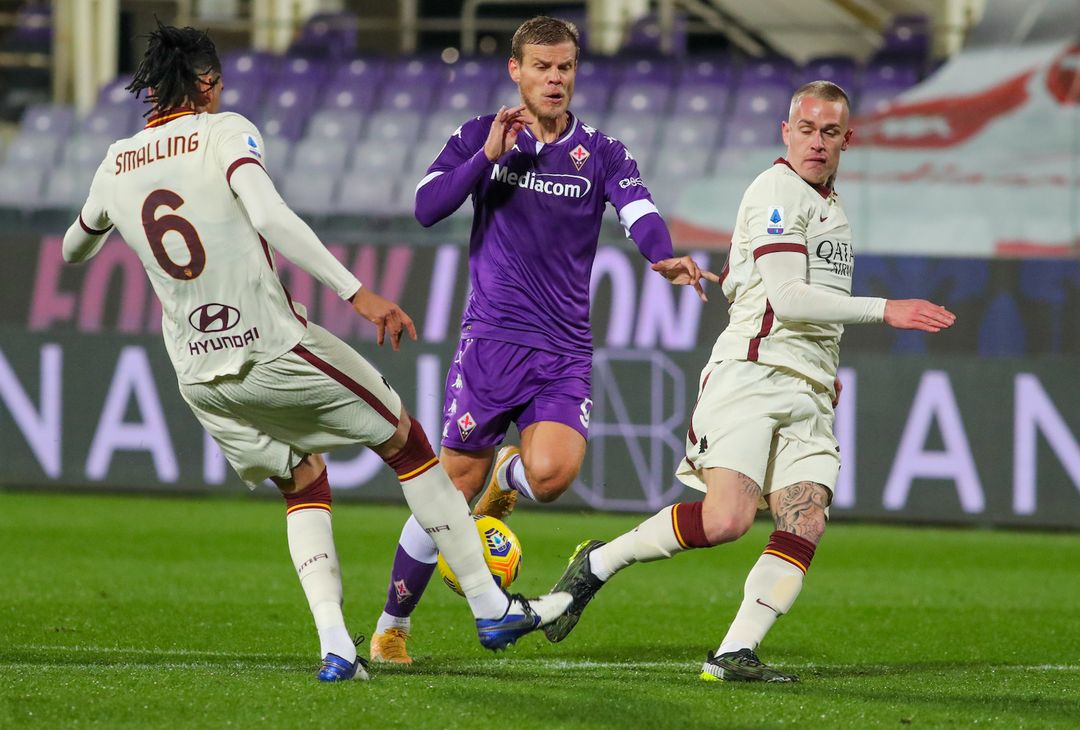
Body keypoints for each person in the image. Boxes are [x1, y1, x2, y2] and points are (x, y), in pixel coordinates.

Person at [61, 22, 570, 683]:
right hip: (269, 345)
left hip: (198, 373)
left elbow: (76, 247)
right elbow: (270, 217)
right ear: (208, 84)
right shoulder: (225, 131)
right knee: (409, 443)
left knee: (302, 480)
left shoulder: (115, 161)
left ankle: (336, 645)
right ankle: (487, 603)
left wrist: (113, 219)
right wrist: (357, 294)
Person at [543, 80, 957, 682]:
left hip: (808, 387)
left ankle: (734, 652)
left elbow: (792, 296)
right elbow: (787, 298)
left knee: (805, 517)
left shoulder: (832, 206)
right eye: (807, 130)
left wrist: (822, 369)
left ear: (848, 138)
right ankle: (598, 563)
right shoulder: (775, 190)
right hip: (752, 376)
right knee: (727, 520)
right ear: (786, 133)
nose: (817, 143)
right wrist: (886, 309)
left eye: (830, 132)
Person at [369, 15, 711, 664]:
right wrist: (487, 159)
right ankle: (392, 627)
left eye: (566, 68)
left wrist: (662, 257)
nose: (555, 79)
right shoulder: (481, 136)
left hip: (563, 351)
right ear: (516, 72)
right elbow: (425, 206)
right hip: (492, 344)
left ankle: (511, 475)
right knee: (447, 491)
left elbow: (640, 212)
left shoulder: (604, 152)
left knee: (552, 476)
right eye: (543, 68)